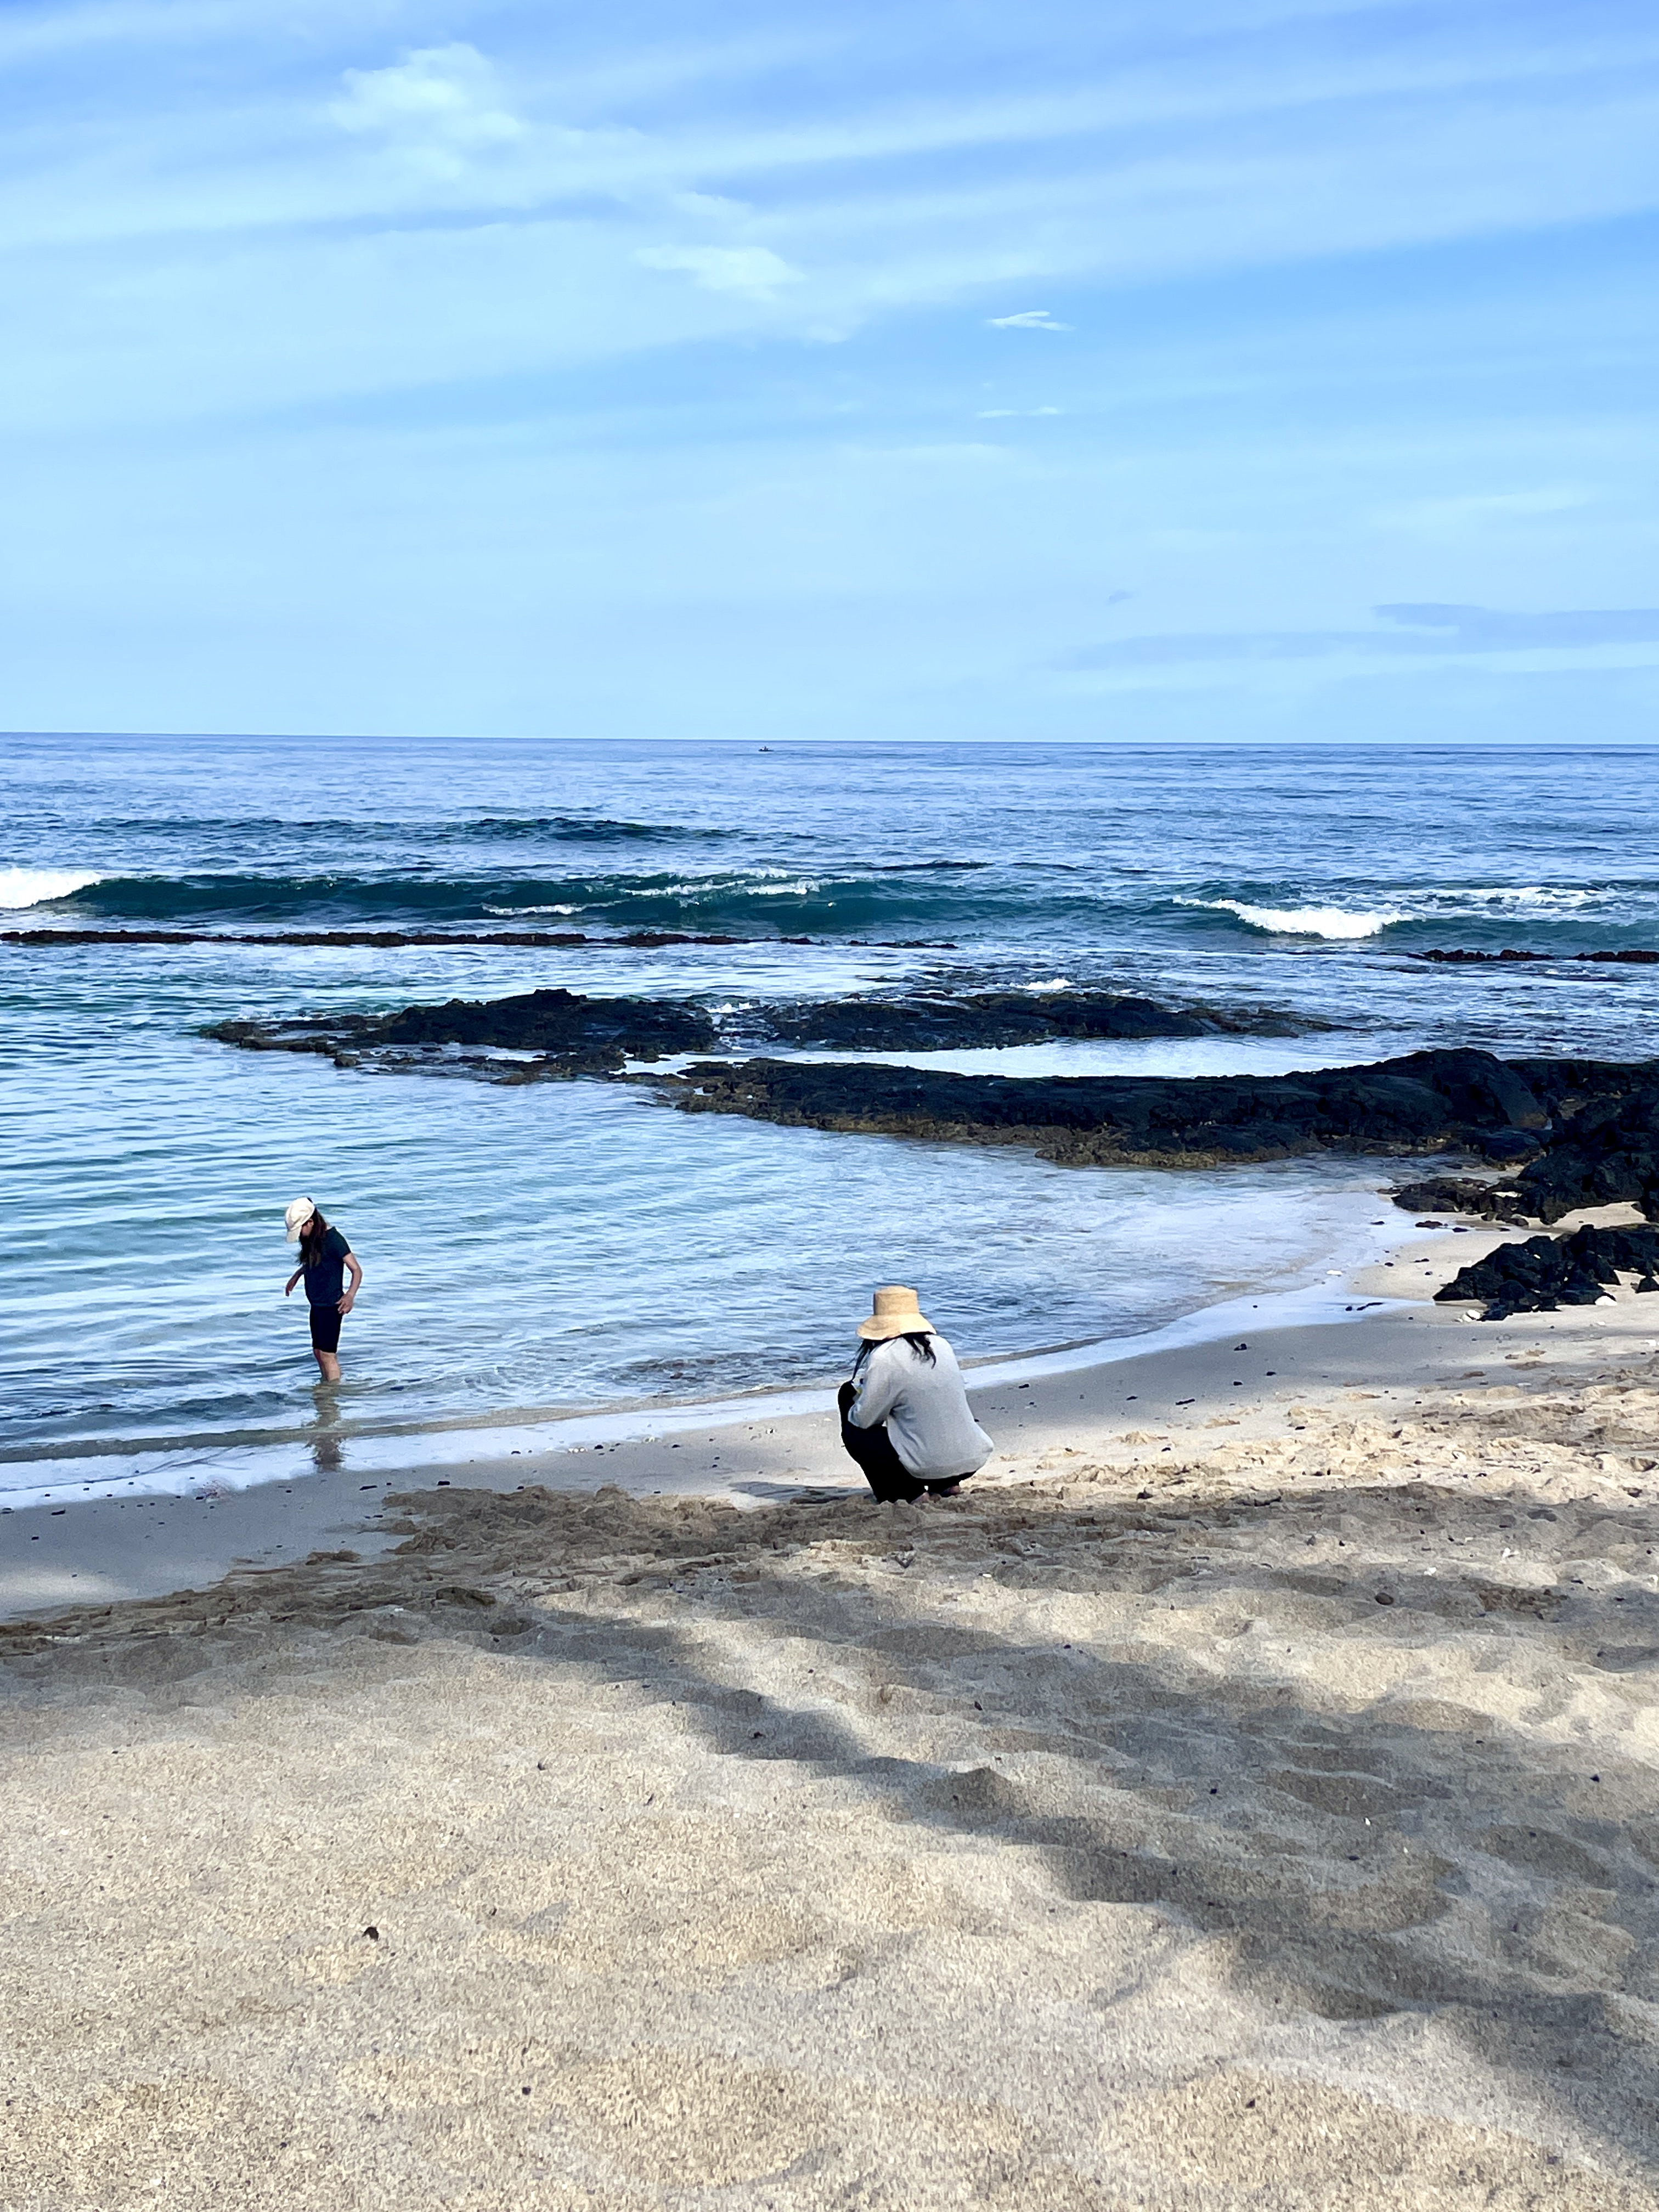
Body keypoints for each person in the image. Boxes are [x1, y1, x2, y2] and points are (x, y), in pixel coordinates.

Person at [838, 1284, 994, 1503]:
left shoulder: (884, 1356)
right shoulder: (941, 1345)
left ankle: (909, 1493)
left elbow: (865, 1420)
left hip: (926, 1464)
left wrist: (859, 1399)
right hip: (969, 1458)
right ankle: (947, 1485)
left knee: (851, 1411)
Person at [283, 1197, 362, 1384]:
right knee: (318, 1352)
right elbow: (316, 1263)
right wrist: (297, 1275)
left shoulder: (334, 1239)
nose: (300, 1236)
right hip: (316, 1304)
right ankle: (325, 1385)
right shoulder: (311, 1239)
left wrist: (350, 1295)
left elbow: (356, 1270)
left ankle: (333, 1391)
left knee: (327, 1354)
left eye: (300, 1230)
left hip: (332, 1305)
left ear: (310, 1222)